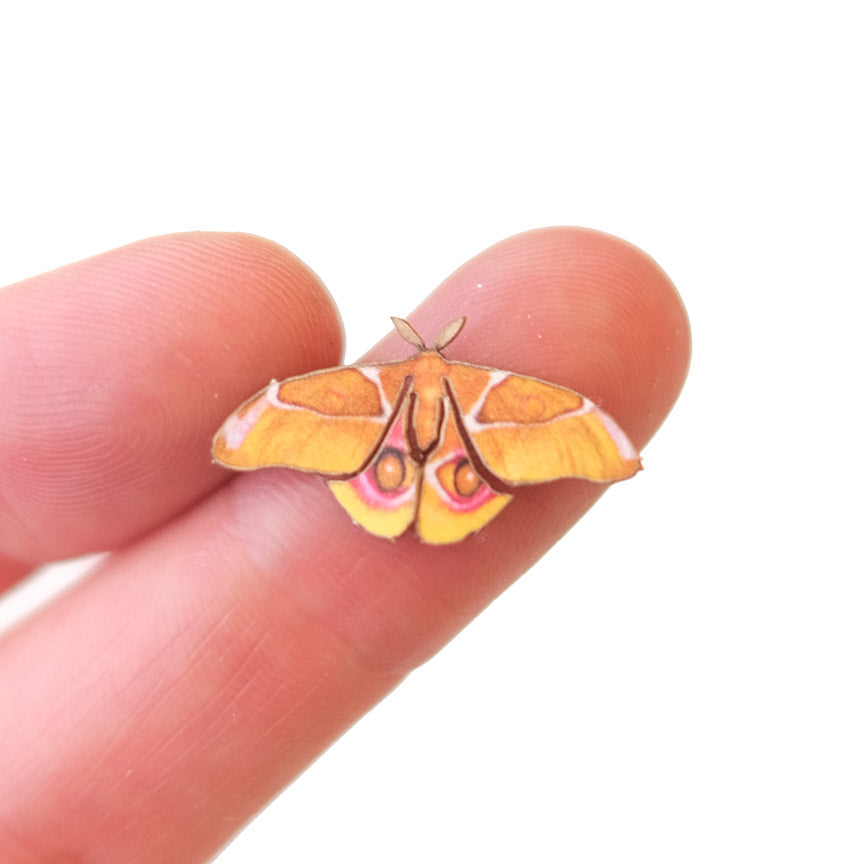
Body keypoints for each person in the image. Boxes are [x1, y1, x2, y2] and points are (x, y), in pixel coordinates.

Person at [0, 227, 690, 862]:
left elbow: (594, 436)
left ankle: (424, 486)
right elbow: (251, 429)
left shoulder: (381, 388)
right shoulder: (465, 390)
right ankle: (423, 485)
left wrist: (596, 445)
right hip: (434, 446)